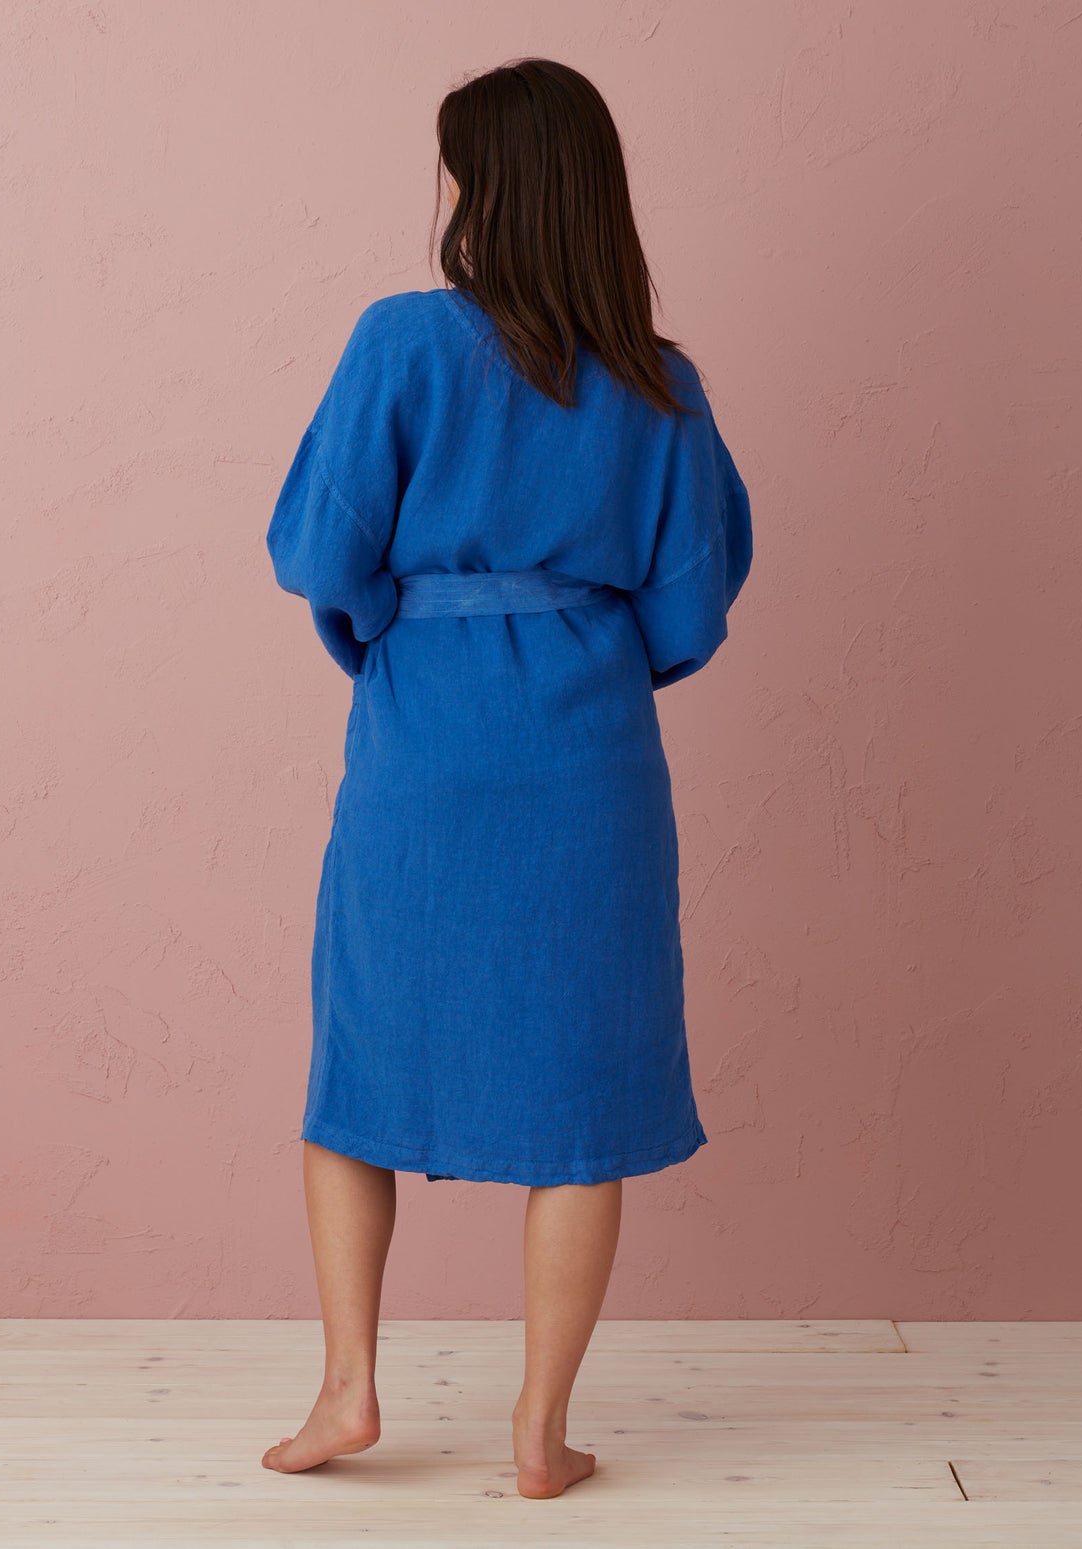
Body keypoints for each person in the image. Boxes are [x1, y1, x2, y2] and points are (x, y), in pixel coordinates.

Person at [261, 57, 753, 1499]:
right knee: (580, 1096)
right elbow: (690, 604)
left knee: (359, 1068)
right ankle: (541, 1429)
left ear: (483, 190)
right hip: (587, 756)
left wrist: (407, 636)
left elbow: (323, 551)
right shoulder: (661, 384)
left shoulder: (400, 341)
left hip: (423, 741)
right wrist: (576, 651)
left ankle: (348, 1389)